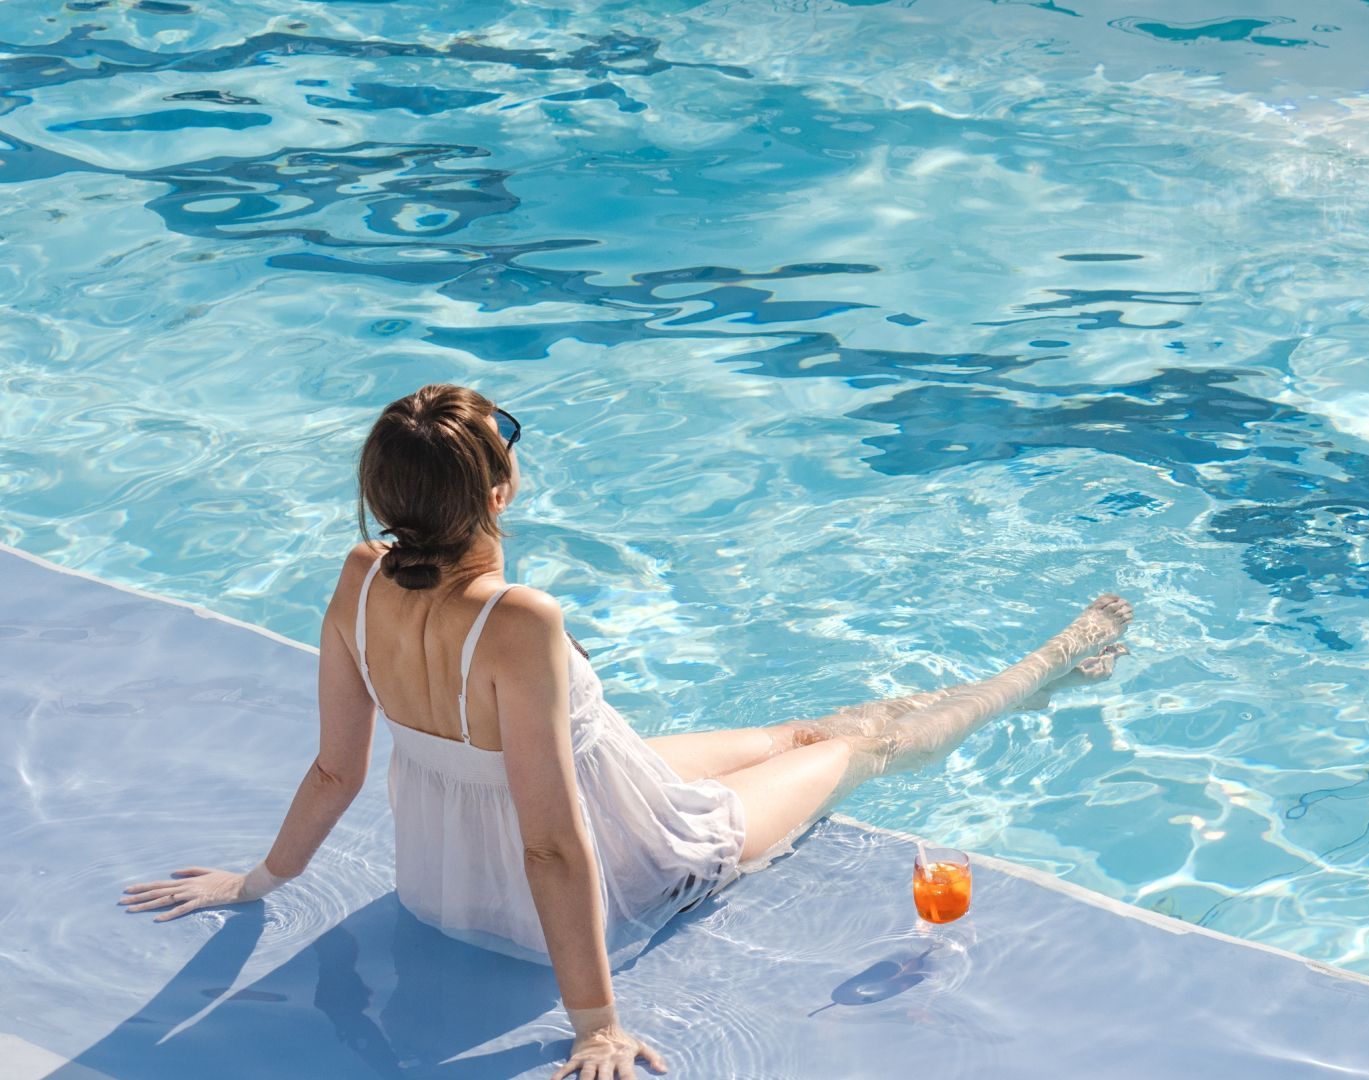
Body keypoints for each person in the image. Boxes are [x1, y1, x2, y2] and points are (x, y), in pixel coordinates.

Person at [118, 384, 1133, 1079]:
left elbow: (337, 768)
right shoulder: (520, 622)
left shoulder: (357, 576)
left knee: (796, 731)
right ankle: (1048, 666)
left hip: (446, 884)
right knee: (854, 747)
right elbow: (555, 844)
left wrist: (260, 882)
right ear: (501, 494)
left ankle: (1038, 668)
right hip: (622, 861)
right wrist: (595, 1026)